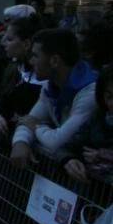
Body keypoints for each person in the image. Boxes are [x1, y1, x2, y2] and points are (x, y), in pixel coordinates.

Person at [11, 29, 98, 167]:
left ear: (55, 61)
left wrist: (36, 127)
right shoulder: (49, 86)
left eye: (35, 56)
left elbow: (58, 141)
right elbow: (28, 120)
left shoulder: (91, 91)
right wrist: (20, 142)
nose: (31, 61)